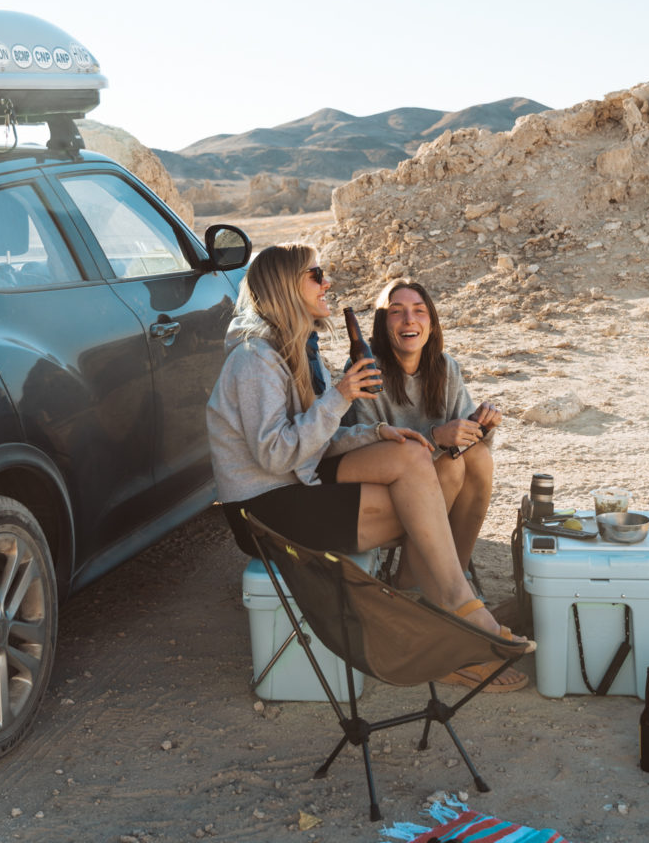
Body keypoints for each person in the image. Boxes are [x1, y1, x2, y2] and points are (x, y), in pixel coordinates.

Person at [206, 243, 534, 664]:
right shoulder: (255, 359)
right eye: (316, 275)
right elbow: (274, 454)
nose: (328, 282)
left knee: (413, 457)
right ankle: (453, 612)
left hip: (301, 481)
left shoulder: (303, 351)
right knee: (427, 508)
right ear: (286, 286)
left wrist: (376, 433)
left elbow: (321, 441)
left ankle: (443, 605)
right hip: (264, 510)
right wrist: (340, 396)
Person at [346, 277, 528, 692]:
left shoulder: (444, 368)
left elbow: (464, 442)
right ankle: (431, 596)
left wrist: (480, 426)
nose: (409, 319)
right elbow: (364, 447)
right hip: (388, 494)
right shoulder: (367, 371)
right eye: (397, 311)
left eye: (419, 310)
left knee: (477, 457)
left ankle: (446, 592)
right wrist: (437, 436)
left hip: (434, 497)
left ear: (431, 322)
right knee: (446, 467)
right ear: (381, 323)